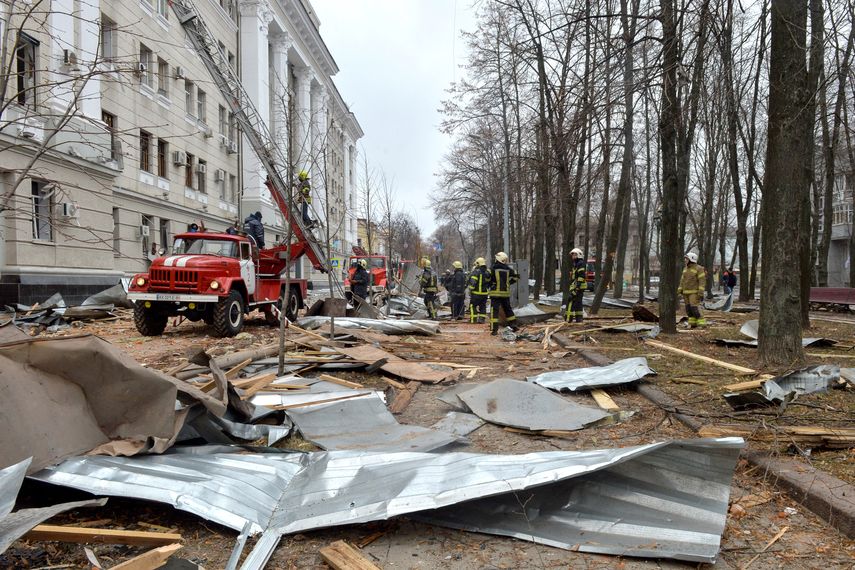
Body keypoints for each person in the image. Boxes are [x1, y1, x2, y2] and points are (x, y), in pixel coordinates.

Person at [488, 251, 519, 335]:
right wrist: (509, 282)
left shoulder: (492, 268)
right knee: (508, 309)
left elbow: (487, 279)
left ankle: (494, 330)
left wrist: (491, 283)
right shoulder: (508, 269)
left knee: (494, 311)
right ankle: (514, 325)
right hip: (505, 293)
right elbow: (517, 276)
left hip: (495, 294)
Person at [678, 252, 707, 328]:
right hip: (685, 292)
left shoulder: (699, 268)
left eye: (686, 258)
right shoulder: (685, 269)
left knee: (695, 308)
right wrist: (679, 289)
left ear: (691, 259)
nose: (685, 260)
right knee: (689, 309)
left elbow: (702, 281)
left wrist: (701, 292)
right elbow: (682, 280)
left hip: (694, 292)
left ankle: (701, 323)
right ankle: (693, 323)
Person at [565, 248, 587, 323]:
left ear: (579, 255)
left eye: (575, 255)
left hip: (579, 287)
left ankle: (569, 319)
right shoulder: (576, 264)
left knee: (572, 301)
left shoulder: (580, 263)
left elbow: (581, 276)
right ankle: (578, 319)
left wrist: (577, 288)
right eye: (573, 255)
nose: (573, 256)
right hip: (576, 287)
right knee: (577, 303)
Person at [467, 257, 491, 324]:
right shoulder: (487, 272)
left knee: (472, 306)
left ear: (478, 263)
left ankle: (473, 319)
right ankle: (481, 319)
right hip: (484, 294)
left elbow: (472, 283)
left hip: (476, 293)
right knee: (483, 306)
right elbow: (489, 282)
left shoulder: (476, 272)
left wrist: (470, 289)